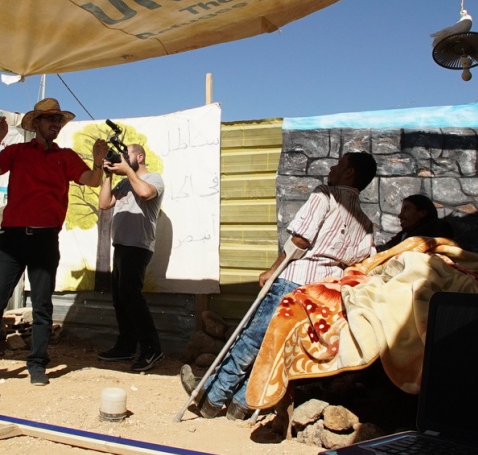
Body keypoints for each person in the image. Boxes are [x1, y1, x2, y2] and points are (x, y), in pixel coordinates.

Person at [180, 151, 378, 420]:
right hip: (322, 293)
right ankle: (242, 405)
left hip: (294, 281)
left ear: (349, 172)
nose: (332, 167)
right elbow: (360, 262)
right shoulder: (365, 224)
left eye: (339, 164)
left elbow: (300, 241)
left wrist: (272, 270)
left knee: (252, 337)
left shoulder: (326, 195)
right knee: (275, 348)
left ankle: (211, 399)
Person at [0, 98, 108, 386]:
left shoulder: (65, 156)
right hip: (11, 238)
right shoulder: (17, 151)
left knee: (42, 305)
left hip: (44, 239)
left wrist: (98, 159)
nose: (56, 124)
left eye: (59, 120)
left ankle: (37, 364)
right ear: (37, 123)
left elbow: (92, 180)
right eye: (51, 119)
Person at [96, 144, 166, 372]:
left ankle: (152, 348)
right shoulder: (125, 182)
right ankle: (126, 346)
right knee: (120, 298)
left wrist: (127, 171)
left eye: (127, 154)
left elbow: (145, 193)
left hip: (138, 246)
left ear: (140, 156)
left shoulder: (153, 178)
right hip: (121, 245)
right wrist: (107, 175)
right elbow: (104, 203)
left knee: (131, 296)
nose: (123, 158)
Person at [376, 194, 454, 252]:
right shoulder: (402, 235)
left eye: (406, 209)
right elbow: (386, 250)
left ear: (422, 213)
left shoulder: (438, 228)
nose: (400, 215)